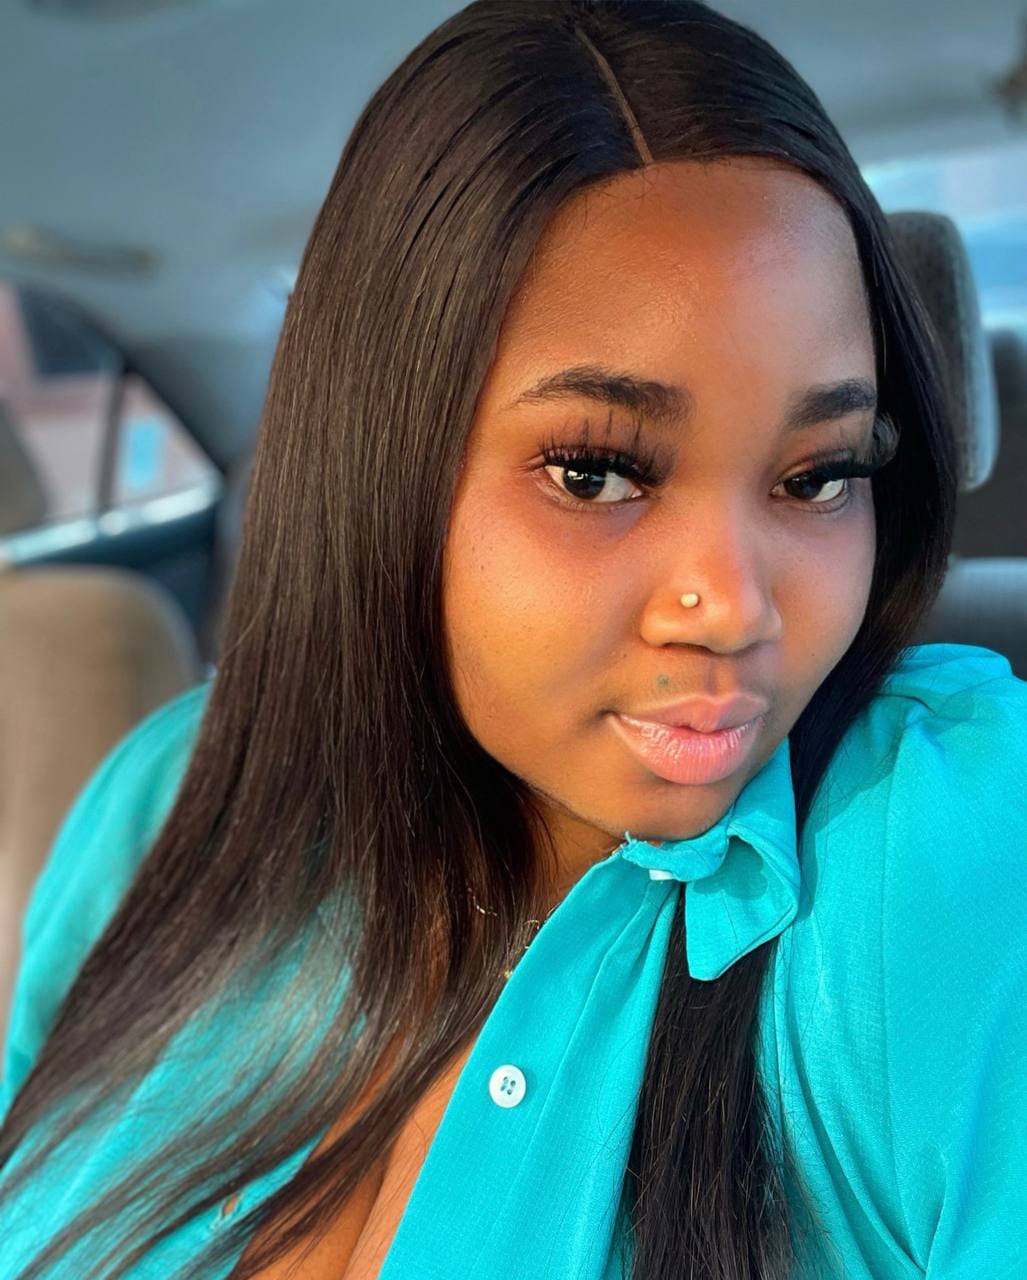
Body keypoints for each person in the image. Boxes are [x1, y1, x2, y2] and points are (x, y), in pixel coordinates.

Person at [1, 1, 1025, 1277]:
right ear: (386, 465)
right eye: (595, 472)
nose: (736, 607)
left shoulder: (947, 836)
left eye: (817, 476)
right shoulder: (165, 799)